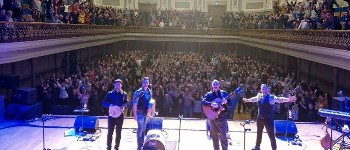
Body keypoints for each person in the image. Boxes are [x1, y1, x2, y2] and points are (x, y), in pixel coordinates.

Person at [243, 84, 296, 150]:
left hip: (268, 120)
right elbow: (254, 99)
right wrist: (247, 100)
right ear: (261, 89)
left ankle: (274, 149)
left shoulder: (271, 97)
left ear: (268, 89)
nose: (264, 90)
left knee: (271, 136)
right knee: (259, 133)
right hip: (260, 118)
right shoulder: (259, 95)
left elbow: (279, 99)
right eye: (263, 89)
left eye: (265, 89)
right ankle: (257, 146)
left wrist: (288, 99)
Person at [202, 79, 229, 150]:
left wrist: (226, 102)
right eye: (214, 84)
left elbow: (230, 104)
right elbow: (203, 101)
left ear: (219, 85)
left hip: (222, 117)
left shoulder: (224, 93)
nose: (215, 86)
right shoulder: (209, 94)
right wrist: (211, 104)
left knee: (223, 136)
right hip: (212, 118)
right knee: (214, 137)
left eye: (217, 84)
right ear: (212, 86)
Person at [102, 79, 128, 150]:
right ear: (114, 85)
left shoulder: (124, 94)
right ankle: (108, 146)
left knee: (118, 132)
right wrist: (109, 105)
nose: (118, 86)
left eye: (119, 84)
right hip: (111, 115)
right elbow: (103, 102)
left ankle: (117, 146)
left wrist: (125, 106)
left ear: (121, 85)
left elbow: (126, 103)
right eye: (116, 84)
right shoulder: (110, 94)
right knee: (110, 131)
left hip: (120, 115)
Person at [133, 77, 154, 150]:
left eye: (147, 82)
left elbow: (150, 102)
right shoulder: (138, 92)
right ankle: (139, 146)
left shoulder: (149, 91)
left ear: (148, 83)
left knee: (144, 129)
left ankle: (142, 144)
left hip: (146, 113)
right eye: (144, 82)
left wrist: (151, 112)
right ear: (142, 83)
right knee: (140, 129)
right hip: (140, 113)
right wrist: (135, 114)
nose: (146, 84)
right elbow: (134, 104)